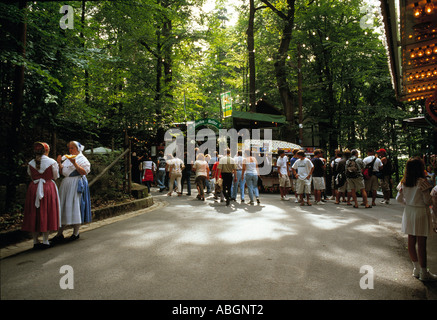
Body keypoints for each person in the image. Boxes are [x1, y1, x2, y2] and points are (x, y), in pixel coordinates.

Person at [396, 157, 436, 281]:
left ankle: (416, 269)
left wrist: (407, 204)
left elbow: (398, 199)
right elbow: (427, 201)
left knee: (411, 240)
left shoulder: (404, 182)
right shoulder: (423, 182)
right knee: (422, 243)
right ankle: (424, 272)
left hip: (409, 212)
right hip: (421, 212)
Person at [22, 142, 60, 249]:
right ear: (47, 150)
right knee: (47, 211)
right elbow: (55, 176)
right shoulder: (52, 162)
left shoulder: (30, 163)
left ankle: (35, 241)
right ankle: (45, 240)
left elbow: (31, 175)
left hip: (33, 188)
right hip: (47, 187)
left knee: (33, 213)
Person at [52, 141, 91, 243]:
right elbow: (63, 172)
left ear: (78, 149)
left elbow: (84, 171)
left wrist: (75, 163)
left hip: (76, 183)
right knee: (63, 206)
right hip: (66, 184)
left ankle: (76, 233)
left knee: (74, 206)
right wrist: (59, 163)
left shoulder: (82, 159)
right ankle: (60, 233)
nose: (70, 150)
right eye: (69, 148)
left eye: (72, 148)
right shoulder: (67, 158)